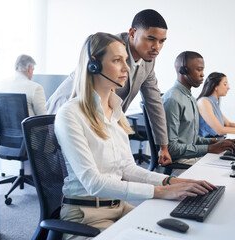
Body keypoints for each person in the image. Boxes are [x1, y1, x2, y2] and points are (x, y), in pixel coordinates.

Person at [54, 33, 217, 238]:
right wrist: (160, 192)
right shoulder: (70, 114)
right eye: (117, 60)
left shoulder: (115, 111)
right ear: (93, 65)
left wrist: (171, 182)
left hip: (119, 207)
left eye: (125, 60)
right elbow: (93, 182)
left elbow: (127, 168)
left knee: (179, 233)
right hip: (86, 216)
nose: (127, 67)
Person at [48, 9, 172, 165]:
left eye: (162, 41)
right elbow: (86, 87)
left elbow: (154, 101)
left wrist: (163, 145)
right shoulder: (111, 48)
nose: (157, 47)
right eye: (151, 39)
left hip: (100, 121)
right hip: (70, 113)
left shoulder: (148, 60)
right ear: (132, 33)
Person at [162, 51, 235, 165]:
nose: (203, 74)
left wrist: (217, 142)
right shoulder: (173, 99)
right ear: (183, 71)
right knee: (229, 168)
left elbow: (191, 139)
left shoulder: (190, 98)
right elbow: (172, 149)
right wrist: (211, 148)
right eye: (199, 70)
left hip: (191, 156)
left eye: (203, 70)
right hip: (182, 161)